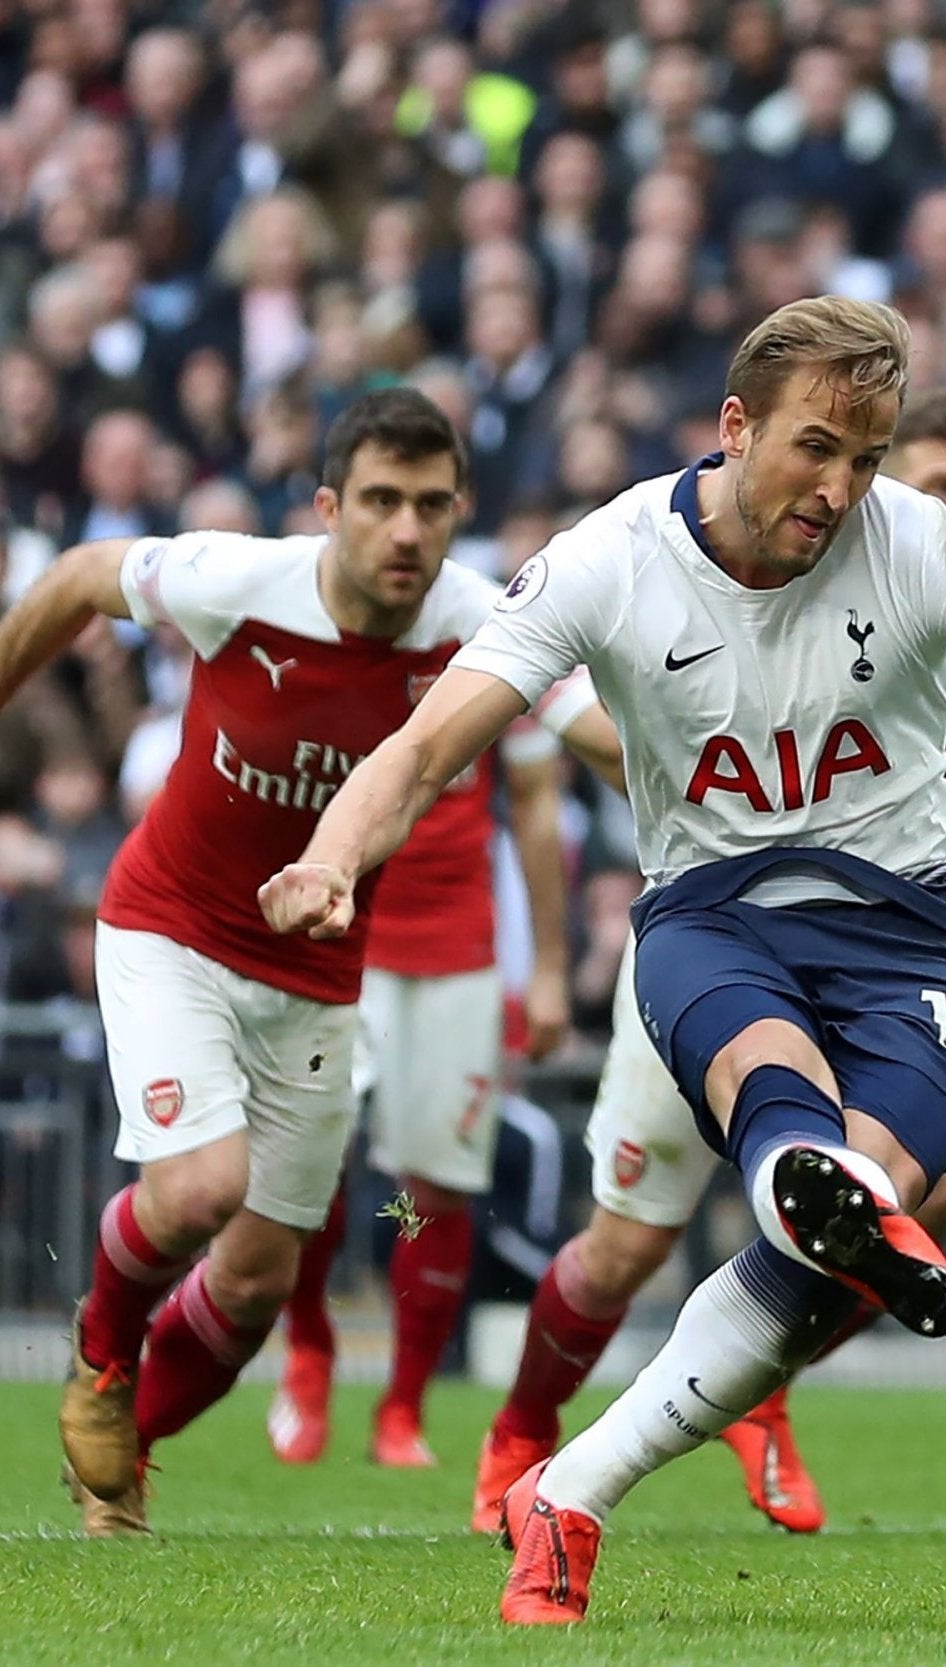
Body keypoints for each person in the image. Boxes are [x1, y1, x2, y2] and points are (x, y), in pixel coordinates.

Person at [261, 297, 946, 1625]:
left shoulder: (927, 546)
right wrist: (333, 854)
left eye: (867, 454)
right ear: (734, 427)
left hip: (910, 919)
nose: (839, 487)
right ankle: (784, 1206)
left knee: (863, 1212)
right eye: (814, 448)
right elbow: (426, 748)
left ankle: (570, 1490)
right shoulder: (605, 559)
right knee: (764, 1160)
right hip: (711, 915)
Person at [0, 390, 608, 1536]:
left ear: (460, 512)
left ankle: (116, 1464)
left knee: (257, 1277)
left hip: (319, 977)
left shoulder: (481, 621)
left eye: (431, 506)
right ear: (330, 507)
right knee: (196, 1191)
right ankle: (98, 1353)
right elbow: (84, 573)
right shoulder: (240, 580)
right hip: (170, 927)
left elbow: (581, 730)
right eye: (380, 501)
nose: (406, 532)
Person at [463, 386, 946, 1537]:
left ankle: (750, 1381)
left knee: (928, 1194)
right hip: (726, 927)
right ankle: (524, 1429)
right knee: (626, 1241)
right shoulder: (769, 575)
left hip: (881, 935)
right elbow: (598, 706)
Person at [265, 683, 591, 1470]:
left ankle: (402, 1406)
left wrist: (547, 966)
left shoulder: (495, 631)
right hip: (340, 938)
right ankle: (309, 1344)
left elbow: (536, 800)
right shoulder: (336, 642)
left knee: (436, 1187)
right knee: (312, 1159)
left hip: (456, 954)